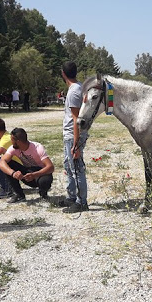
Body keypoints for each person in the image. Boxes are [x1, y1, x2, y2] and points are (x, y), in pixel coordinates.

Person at [60, 61, 89, 213]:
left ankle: (81, 201)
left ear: (63, 74)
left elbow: (76, 119)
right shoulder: (79, 87)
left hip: (73, 135)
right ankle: (71, 197)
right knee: (68, 166)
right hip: (70, 135)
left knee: (77, 168)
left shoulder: (73, 92)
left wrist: (76, 144)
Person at [0, 127, 54, 203]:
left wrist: (34, 175)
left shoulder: (37, 147)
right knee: (8, 164)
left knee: (45, 181)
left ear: (18, 141)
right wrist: (13, 173)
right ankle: (19, 195)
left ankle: (43, 194)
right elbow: (1, 162)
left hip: (39, 173)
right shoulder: (13, 148)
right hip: (27, 173)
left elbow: (50, 167)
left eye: (12, 140)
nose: (11, 142)